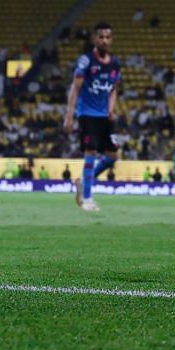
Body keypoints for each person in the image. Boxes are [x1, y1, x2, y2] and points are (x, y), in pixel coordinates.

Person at [65, 21, 122, 212]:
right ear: (95, 39)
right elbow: (75, 89)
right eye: (101, 37)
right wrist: (69, 116)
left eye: (108, 37)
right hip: (87, 114)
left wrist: (111, 109)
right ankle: (87, 198)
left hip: (104, 117)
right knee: (90, 153)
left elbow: (114, 89)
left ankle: (83, 181)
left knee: (113, 155)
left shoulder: (115, 63)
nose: (105, 40)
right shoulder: (86, 61)